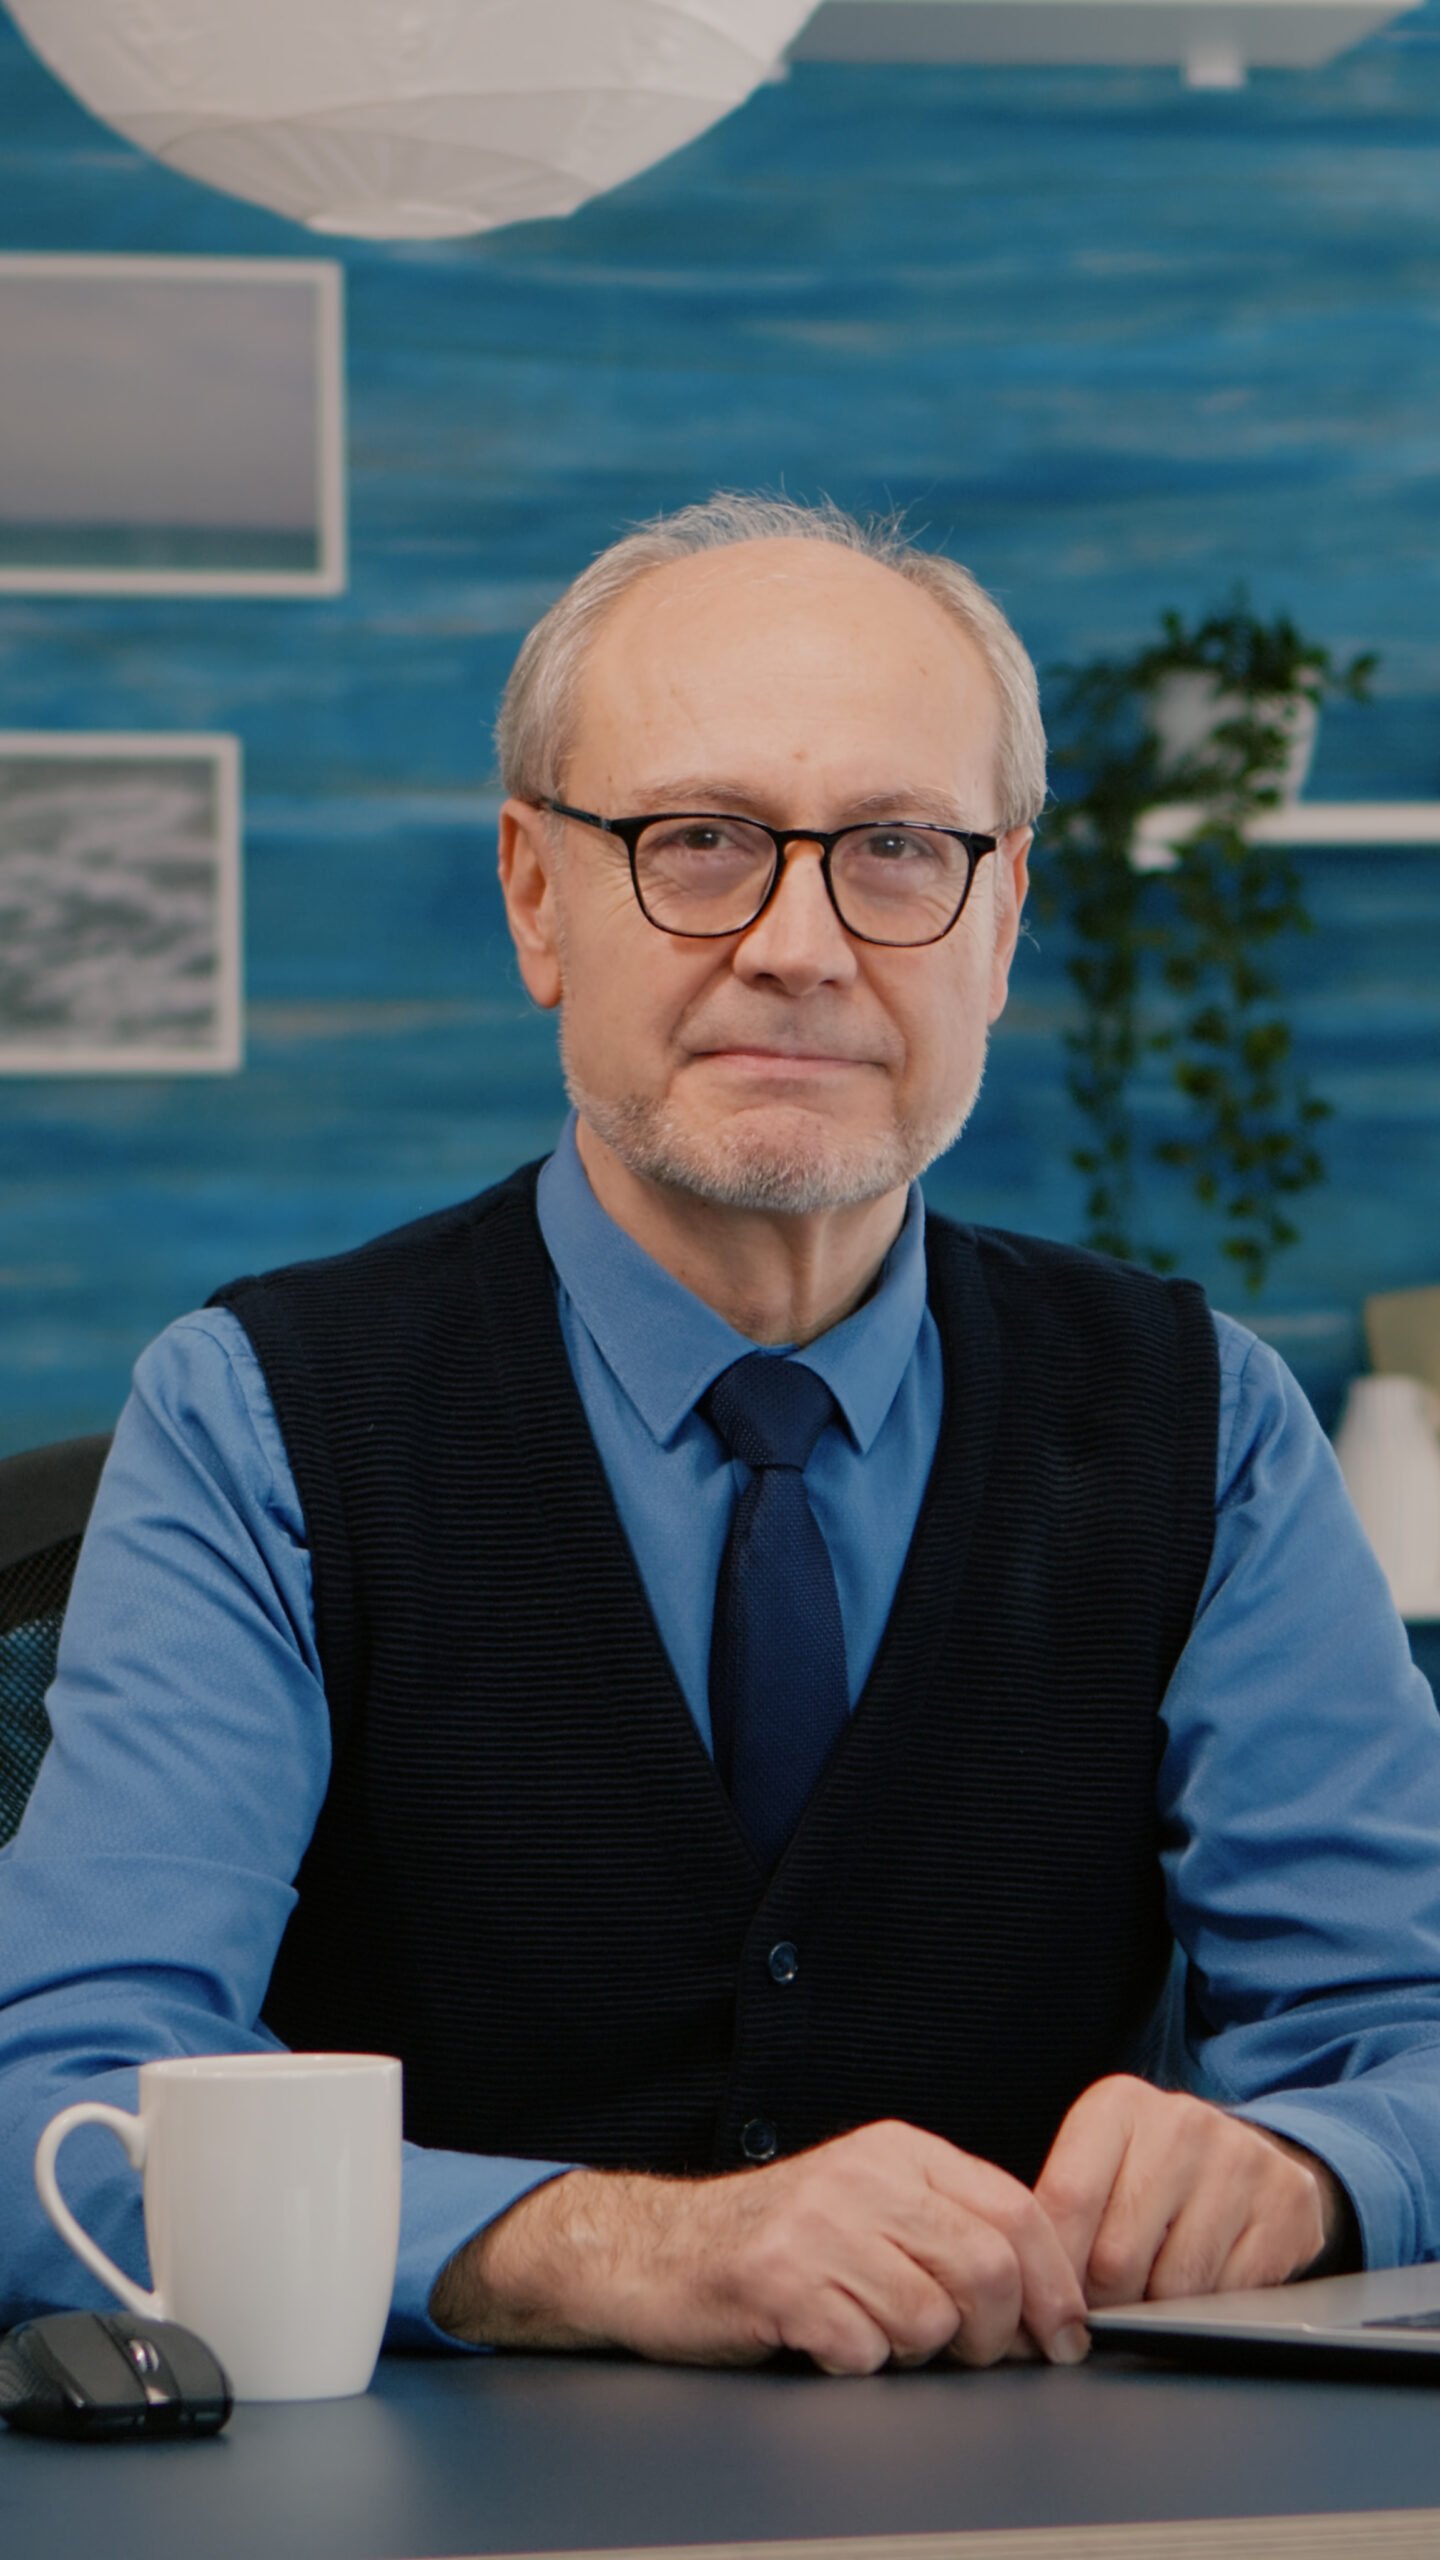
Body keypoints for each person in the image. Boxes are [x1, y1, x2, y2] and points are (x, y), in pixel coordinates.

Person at [3, 494, 1440, 2381]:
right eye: (699, 843)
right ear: (536, 895)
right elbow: (57, 2113)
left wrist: (1311, 2168)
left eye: (901, 851)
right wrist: (607, 2248)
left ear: (1001, 922)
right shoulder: (259, 1417)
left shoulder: (1211, 1426)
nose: (799, 943)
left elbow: (1408, 2034)